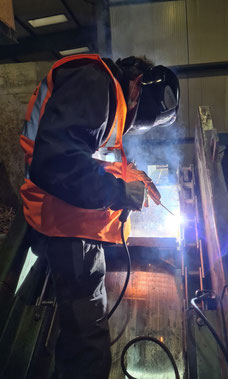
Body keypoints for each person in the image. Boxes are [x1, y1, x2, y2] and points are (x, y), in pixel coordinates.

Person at [19, 53, 180, 379]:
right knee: (87, 347)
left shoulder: (101, 88)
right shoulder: (94, 83)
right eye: (136, 117)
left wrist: (130, 177)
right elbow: (57, 164)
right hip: (65, 226)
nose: (131, 123)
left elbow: (86, 153)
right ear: (137, 86)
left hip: (71, 219)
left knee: (83, 336)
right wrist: (119, 193)